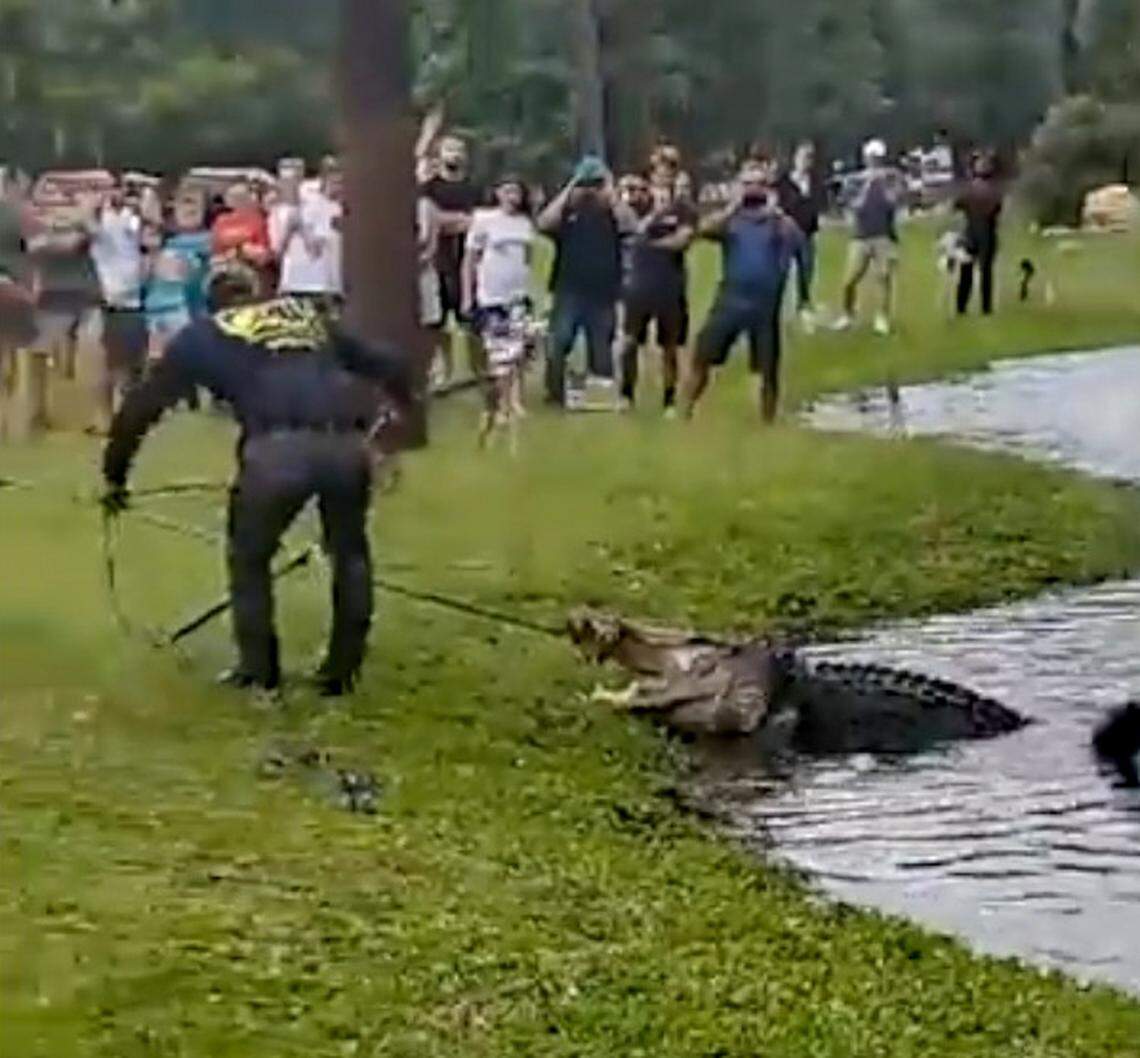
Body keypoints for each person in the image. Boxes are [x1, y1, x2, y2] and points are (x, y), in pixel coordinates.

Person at [101, 291, 413, 697]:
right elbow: (390, 363)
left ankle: (259, 671)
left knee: (249, 556)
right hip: (346, 447)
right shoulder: (304, 317)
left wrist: (115, 475)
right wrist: (399, 420)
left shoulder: (201, 335)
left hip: (277, 452)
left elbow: (143, 405)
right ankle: (342, 671)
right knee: (350, 551)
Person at [682, 159, 806, 423]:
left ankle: (767, 422)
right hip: (732, 299)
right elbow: (702, 230)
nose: (752, 190)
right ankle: (685, 412)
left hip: (765, 304)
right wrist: (732, 206)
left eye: (758, 184)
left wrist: (777, 212)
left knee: (767, 369)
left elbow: (799, 247)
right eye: (747, 184)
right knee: (703, 355)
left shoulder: (779, 223)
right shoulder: (731, 220)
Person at [537, 156, 624, 407]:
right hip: (569, 289)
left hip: (603, 291)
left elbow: (631, 224)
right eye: (586, 185)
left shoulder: (611, 213)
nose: (590, 191)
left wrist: (610, 192)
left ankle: (599, 397)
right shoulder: (567, 213)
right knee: (558, 343)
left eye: (594, 185)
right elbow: (543, 223)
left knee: (601, 349)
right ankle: (554, 395)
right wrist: (570, 188)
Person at [618, 173, 696, 414]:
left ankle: (669, 399)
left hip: (670, 286)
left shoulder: (684, 210)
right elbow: (635, 230)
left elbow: (682, 241)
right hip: (639, 286)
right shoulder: (636, 208)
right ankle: (626, 394)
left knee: (670, 347)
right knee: (630, 342)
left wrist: (650, 244)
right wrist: (656, 216)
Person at [419, 135, 483, 381]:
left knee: (471, 321)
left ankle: (478, 371)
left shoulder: (474, 188)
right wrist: (463, 221)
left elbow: (483, 221)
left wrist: (453, 221)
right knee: (437, 324)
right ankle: (443, 371)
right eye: (449, 150)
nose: (454, 155)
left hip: (469, 262)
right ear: (440, 155)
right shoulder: (429, 188)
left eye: (459, 150)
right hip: (439, 261)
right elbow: (431, 219)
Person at [86, 177, 147, 430]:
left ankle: (124, 415)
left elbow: (146, 234)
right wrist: (90, 206)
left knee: (129, 367)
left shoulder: (131, 218)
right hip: (110, 299)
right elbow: (89, 228)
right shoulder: (101, 220)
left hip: (133, 300)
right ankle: (103, 418)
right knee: (106, 364)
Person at [834, 138, 901, 336]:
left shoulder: (891, 177)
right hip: (861, 235)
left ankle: (882, 318)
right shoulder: (856, 180)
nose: (875, 162)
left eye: (878, 158)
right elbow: (856, 206)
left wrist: (882, 185)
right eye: (872, 158)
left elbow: (893, 202)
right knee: (849, 280)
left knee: (883, 278)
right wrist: (868, 184)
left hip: (884, 235)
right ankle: (847, 315)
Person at [143, 191, 212, 361]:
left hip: (186, 316)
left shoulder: (210, 242)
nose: (187, 209)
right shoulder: (166, 243)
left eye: (193, 203)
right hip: (156, 315)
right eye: (183, 203)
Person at [269, 158, 344, 305]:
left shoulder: (338, 208)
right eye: (336, 181)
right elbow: (279, 247)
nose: (339, 187)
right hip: (296, 282)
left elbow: (317, 244)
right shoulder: (302, 201)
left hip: (327, 285)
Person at [775, 141, 826, 327]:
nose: (807, 161)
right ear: (795, 158)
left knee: (806, 269)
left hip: (808, 232)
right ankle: (778, 306)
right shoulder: (784, 181)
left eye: (810, 157)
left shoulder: (814, 181)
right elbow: (778, 204)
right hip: (787, 233)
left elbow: (819, 202)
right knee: (782, 269)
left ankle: (803, 304)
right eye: (804, 156)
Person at [954, 152, 1003, 316]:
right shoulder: (994, 191)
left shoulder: (969, 189)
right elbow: (997, 209)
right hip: (987, 231)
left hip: (970, 231)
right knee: (986, 271)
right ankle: (986, 307)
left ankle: (961, 305)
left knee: (966, 269)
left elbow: (957, 204)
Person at [210, 179, 274, 299]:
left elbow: (265, 255)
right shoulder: (221, 221)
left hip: (252, 272)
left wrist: (242, 251)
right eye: (234, 196)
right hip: (224, 270)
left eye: (243, 195)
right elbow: (214, 252)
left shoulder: (260, 220)